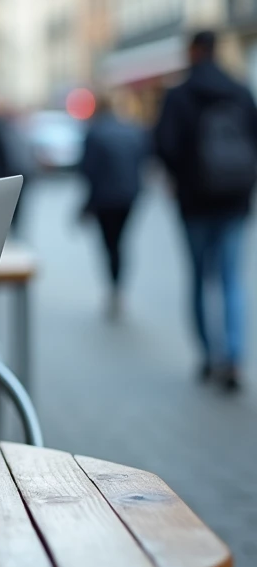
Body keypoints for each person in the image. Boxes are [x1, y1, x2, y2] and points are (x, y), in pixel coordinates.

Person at [154, 29, 257, 393]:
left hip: (194, 202)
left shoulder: (179, 95)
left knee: (200, 278)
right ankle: (233, 357)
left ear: (193, 51)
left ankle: (208, 356)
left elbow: (164, 145)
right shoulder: (240, 91)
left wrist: (181, 176)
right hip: (235, 201)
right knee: (231, 279)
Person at [78, 93, 148, 320]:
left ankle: (114, 288)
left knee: (110, 244)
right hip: (129, 196)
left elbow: (87, 170)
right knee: (120, 242)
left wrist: (87, 205)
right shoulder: (132, 130)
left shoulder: (95, 133)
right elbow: (143, 161)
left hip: (105, 198)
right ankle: (118, 288)